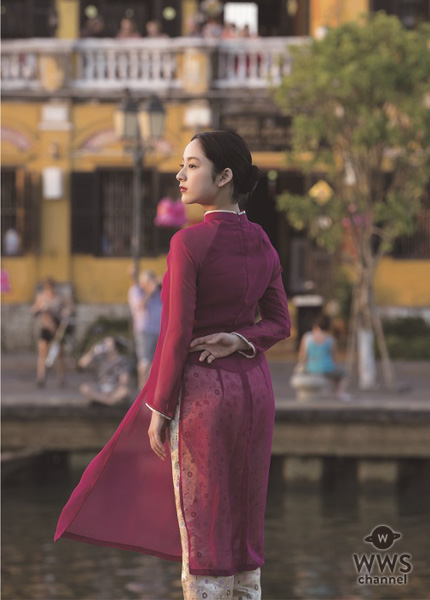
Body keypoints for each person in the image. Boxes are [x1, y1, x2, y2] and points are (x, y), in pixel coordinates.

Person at [54, 130, 291, 600]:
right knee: (245, 518)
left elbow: (176, 332)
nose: (180, 175)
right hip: (255, 392)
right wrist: (241, 339)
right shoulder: (262, 240)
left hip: (204, 396)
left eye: (192, 165)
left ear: (224, 177)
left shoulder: (189, 243)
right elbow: (280, 322)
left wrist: (160, 407)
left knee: (203, 525)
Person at [30, 277, 74, 388]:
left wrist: (66, 312)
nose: (49, 290)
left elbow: (70, 307)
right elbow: (34, 310)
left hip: (58, 329)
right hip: (46, 328)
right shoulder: (41, 297)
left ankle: (62, 378)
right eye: (47, 288)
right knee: (42, 353)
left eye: (51, 288)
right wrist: (40, 309)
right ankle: (41, 377)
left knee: (60, 354)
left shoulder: (60, 297)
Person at [298, 314, 351, 400]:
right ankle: (339, 392)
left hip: (311, 367)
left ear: (315, 325)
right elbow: (334, 357)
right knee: (344, 373)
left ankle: (333, 393)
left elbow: (302, 355)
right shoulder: (330, 339)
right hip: (327, 368)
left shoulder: (307, 337)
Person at [78, 337, 131, 407]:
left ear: (115, 346)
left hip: (114, 388)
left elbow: (124, 380)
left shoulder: (122, 361)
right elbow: (82, 364)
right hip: (100, 387)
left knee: (124, 391)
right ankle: (107, 401)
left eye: (108, 343)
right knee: (84, 388)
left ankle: (102, 400)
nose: (105, 345)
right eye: (105, 343)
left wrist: (117, 390)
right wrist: (92, 352)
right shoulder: (100, 357)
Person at [137, 269, 162, 387]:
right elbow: (140, 305)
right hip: (146, 332)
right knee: (144, 361)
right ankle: (142, 388)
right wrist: (151, 290)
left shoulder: (158, 292)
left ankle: (151, 387)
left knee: (156, 362)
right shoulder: (137, 291)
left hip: (159, 331)